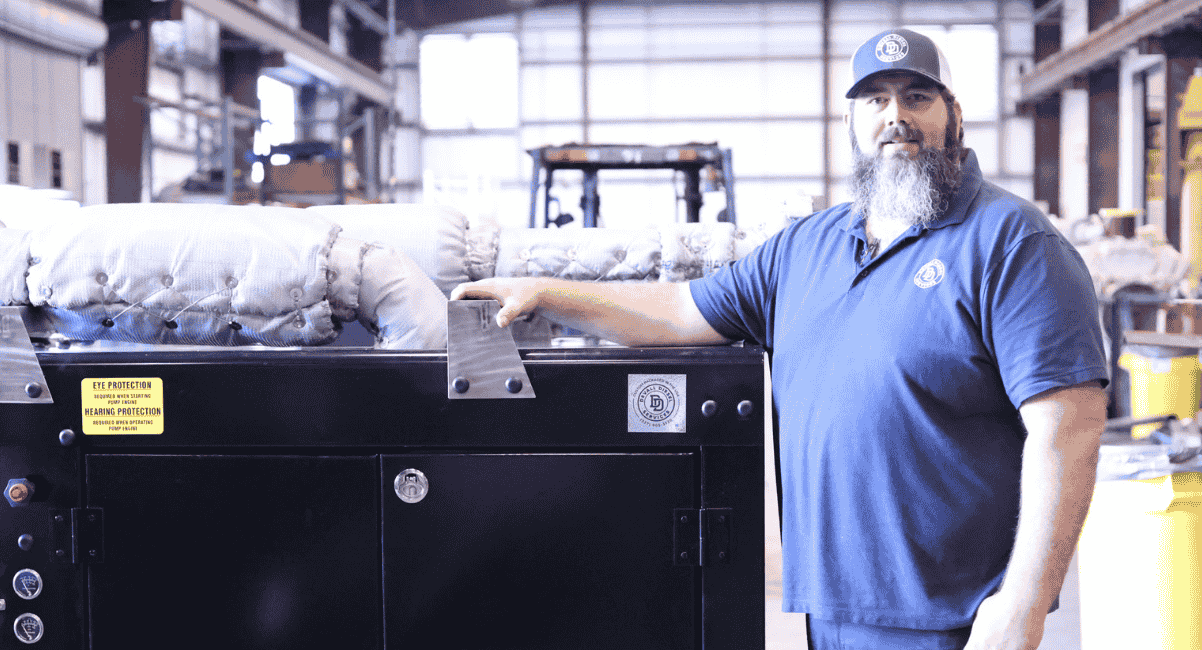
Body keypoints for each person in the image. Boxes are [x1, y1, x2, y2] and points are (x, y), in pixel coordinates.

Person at [452, 28, 1108, 650]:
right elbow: (680, 310)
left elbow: (1067, 426)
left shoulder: (1011, 242)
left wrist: (1023, 601)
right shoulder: (806, 248)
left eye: (916, 96)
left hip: (956, 614)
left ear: (953, 113)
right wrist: (545, 292)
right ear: (851, 121)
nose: (895, 115)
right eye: (875, 99)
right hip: (833, 607)